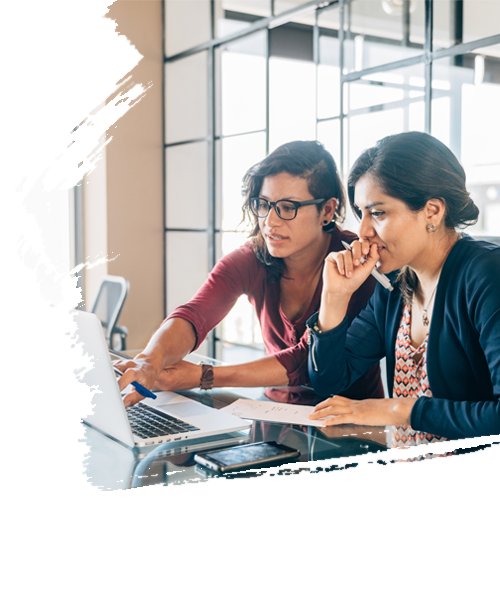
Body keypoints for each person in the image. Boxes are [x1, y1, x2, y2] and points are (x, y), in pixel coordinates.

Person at [115, 140, 383, 405]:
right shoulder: (254, 256)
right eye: (264, 204)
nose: (270, 222)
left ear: (327, 210)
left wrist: (204, 376)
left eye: (288, 208)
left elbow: (305, 361)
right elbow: (195, 314)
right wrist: (150, 361)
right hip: (274, 412)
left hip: (350, 424)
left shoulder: (355, 263)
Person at [307, 131, 500, 440]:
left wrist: (398, 410)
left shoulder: (487, 274)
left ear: (432, 211)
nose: (363, 232)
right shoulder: (396, 286)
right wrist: (334, 298)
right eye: (361, 214)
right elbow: (328, 380)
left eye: (378, 213)